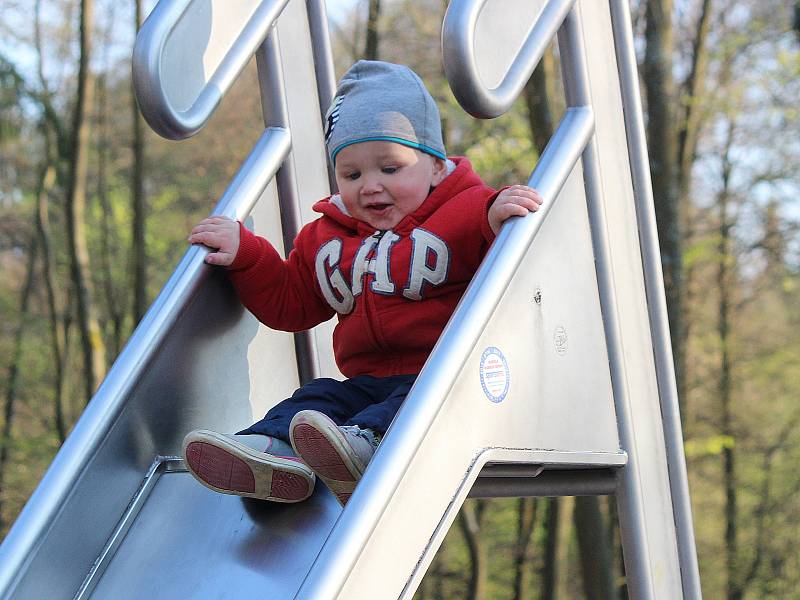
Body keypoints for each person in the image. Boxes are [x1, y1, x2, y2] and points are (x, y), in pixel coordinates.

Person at [182, 60, 542, 506]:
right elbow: (292, 304)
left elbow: (502, 258)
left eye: (390, 168)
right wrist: (247, 255)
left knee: (400, 405)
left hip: (442, 378)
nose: (370, 186)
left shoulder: (466, 213)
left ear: (435, 165)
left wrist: (497, 215)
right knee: (316, 398)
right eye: (351, 174)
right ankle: (273, 455)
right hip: (366, 379)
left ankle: (362, 447)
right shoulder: (326, 237)